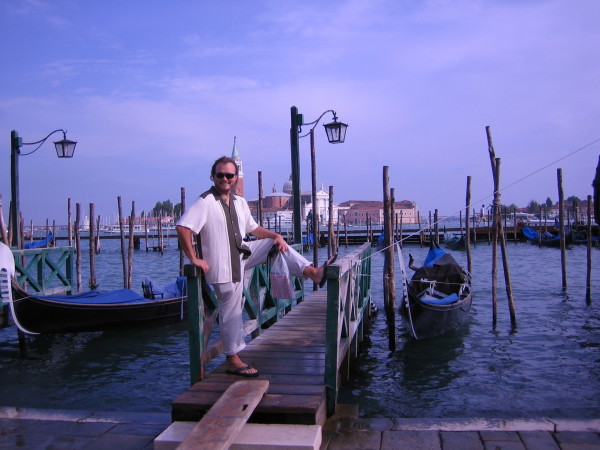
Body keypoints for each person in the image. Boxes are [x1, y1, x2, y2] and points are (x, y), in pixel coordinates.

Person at [176, 156, 336, 377]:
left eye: (229, 175)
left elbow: (253, 229)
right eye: (220, 174)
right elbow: (183, 227)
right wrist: (194, 258)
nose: (225, 178)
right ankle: (233, 359)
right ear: (213, 177)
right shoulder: (205, 201)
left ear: (234, 178)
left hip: (243, 255)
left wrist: (276, 235)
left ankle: (312, 272)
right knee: (231, 311)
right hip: (223, 266)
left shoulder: (240, 202)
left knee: (275, 244)